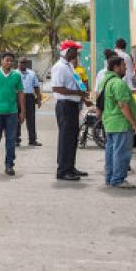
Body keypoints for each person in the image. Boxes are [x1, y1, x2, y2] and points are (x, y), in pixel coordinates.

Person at [97, 56, 136, 188]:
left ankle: (110, 178)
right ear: (116, 67)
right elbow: (123, 106)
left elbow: (99, 100)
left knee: (111, 152)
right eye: (123, 66)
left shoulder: (104, 81)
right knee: (121, 153)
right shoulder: (118, 83)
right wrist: (134, 124)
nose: (126, 68)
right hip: (121, 124)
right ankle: (118, 179)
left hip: (109, 122)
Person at [51, 40, 90, 181]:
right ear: (67, 51)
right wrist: (79, 94)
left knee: (72, 138)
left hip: (73, 106)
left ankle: (70, 167)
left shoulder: (69, 66)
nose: (77, 53)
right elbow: (56, 88)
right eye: (74, 50)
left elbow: (77, 83)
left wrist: (84, 97)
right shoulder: (60, 67)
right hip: (65, 106)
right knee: (65, 139)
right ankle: (62, 170)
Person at [0, 52, 26, 176]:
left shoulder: (17, 76)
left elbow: (20, 94)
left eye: (11, 61)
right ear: (1, 61)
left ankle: (9, 165)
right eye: (7, 60)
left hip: (12, 114)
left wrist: (22, 112)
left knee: (11, 139)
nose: (9, 63)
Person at [17, 57, 42, 147]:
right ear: (18, 63)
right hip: (17, 98)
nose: (22, 64)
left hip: (29, 97)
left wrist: (39, 99)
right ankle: (16, 140)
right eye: (20, 62)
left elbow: (36, 86)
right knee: (17, 118)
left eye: (24, 63)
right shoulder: (14, 73)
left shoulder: (32, 73)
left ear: (27, 64)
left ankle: (32, 140)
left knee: (31, 119)